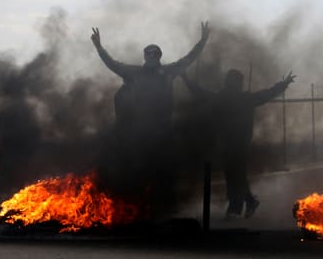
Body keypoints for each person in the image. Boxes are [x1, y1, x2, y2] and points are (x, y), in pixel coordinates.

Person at [90, 22, 210, 210]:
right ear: (145, 56)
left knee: (164, 166)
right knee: (136, 164)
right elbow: (112, 64)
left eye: (156, 54)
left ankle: (162, 204)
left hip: (163, 128)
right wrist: (99, 47)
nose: (152, 57)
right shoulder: (135, 73)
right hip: (138, 130)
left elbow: (189, 58)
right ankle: (134, 203)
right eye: (149, 54)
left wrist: (203, 41)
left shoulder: (169, 71)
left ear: (159, 57)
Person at [181, 69, 295, 219]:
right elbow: (201, 93)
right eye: (233, 81)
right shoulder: (225, 98)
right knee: (233, 174)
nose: (235, 85)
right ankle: (250, 201)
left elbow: (267, 94)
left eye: (237, 82)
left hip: (240, 143)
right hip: (226, 143)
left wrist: (283, 84)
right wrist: (186, 79)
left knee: (237, 174)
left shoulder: (243, 99)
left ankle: (235, 207)